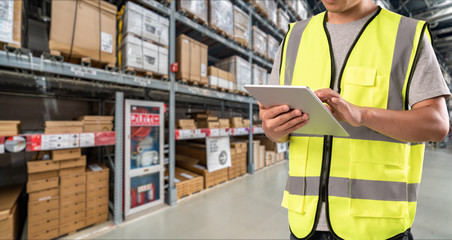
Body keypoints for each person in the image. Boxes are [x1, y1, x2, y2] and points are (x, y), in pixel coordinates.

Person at [260, 0, 451, 239]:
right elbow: (274, 126)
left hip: (376, 226)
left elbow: (437, 125)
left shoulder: (407, 35)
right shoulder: (294, 37)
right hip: (304, 224)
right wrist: (272, 128)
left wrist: (363, 115)